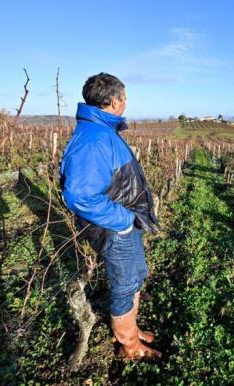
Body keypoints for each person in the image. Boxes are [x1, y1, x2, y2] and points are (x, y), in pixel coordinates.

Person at [59, 73, 161, 361]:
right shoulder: (93, 139)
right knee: (125, 284)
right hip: (115, 228)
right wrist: (124, 221)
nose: (127, 102)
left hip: (124, 224)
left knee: (135, 276)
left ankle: (133, 328)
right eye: (125, 97)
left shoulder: (101, 131)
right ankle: (129, 345)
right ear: (114, 101)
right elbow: (79, 195)